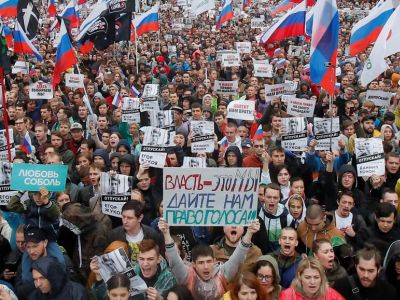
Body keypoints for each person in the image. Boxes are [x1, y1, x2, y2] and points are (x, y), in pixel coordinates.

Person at [159, 218, 260, 300]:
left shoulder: (222, 274)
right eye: (201, 263)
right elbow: (174, 259)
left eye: (208, 261)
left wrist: (249, 233)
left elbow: (238, 256)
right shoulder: (187, 275)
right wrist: (166, 233)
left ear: (215, 261)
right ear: (194, 264)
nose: (206, 266)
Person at [92, 239, 176, 300]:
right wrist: (99, 275)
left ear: (158, 259)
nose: (145, 263)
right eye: (142, 259)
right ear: (137, 259)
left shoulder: (169, 279)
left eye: (150, 259)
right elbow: (104, 296)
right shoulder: (131, 273)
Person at [333, 245, 399, 299]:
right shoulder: (340, 286)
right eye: (361, 269)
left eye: (371, 271)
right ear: (356, 266)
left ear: (378, 269)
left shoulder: (389, 292)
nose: (365, 275)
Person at [278, 257, 345, 300]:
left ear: (321, 277)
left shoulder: (332, 295)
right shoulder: (287, 296)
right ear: (299, 276)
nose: (312, 282)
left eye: (316, 277)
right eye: (307, 277)